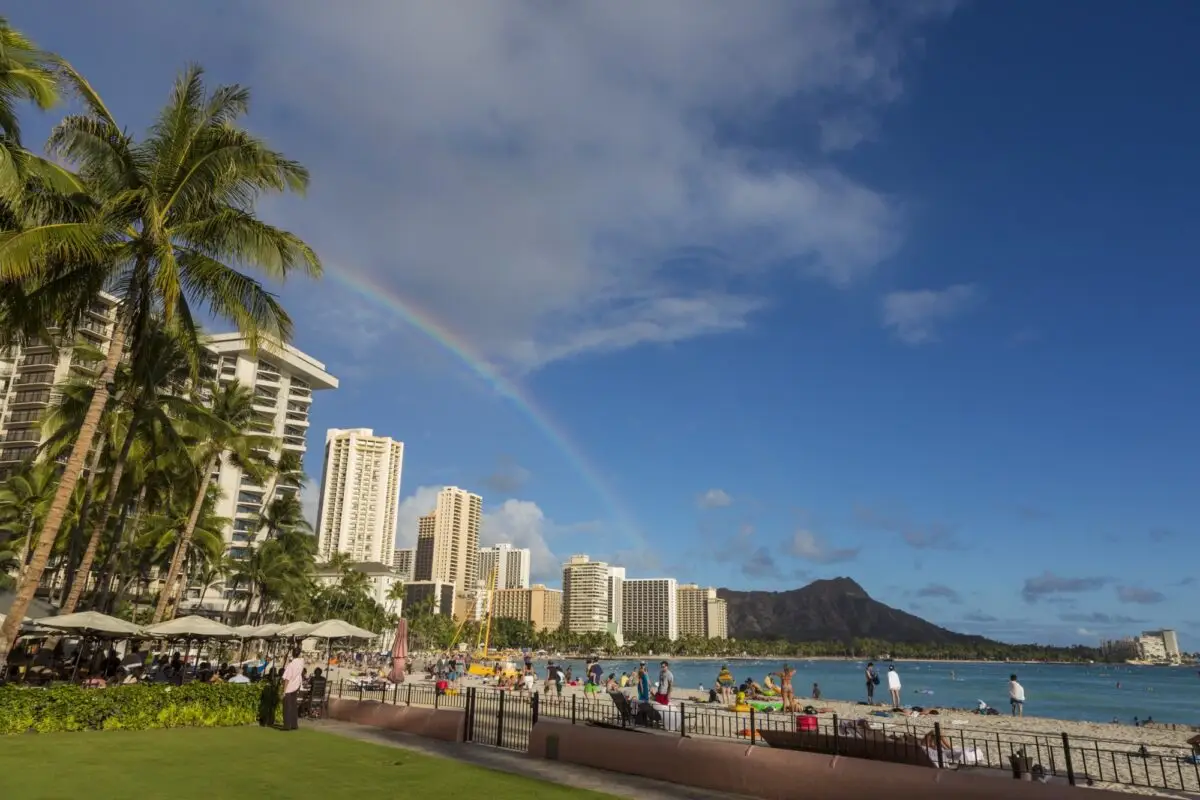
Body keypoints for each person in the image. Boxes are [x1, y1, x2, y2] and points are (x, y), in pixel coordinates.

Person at [281, 647, 305, 731]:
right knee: (293, 706)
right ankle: (294, 724)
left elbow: (286, 678)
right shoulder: (301, 662)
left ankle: (287, 725)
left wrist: (284, 691)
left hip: (290, 687)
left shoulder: (291, 665)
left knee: (287, 707)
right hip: (296, 686)